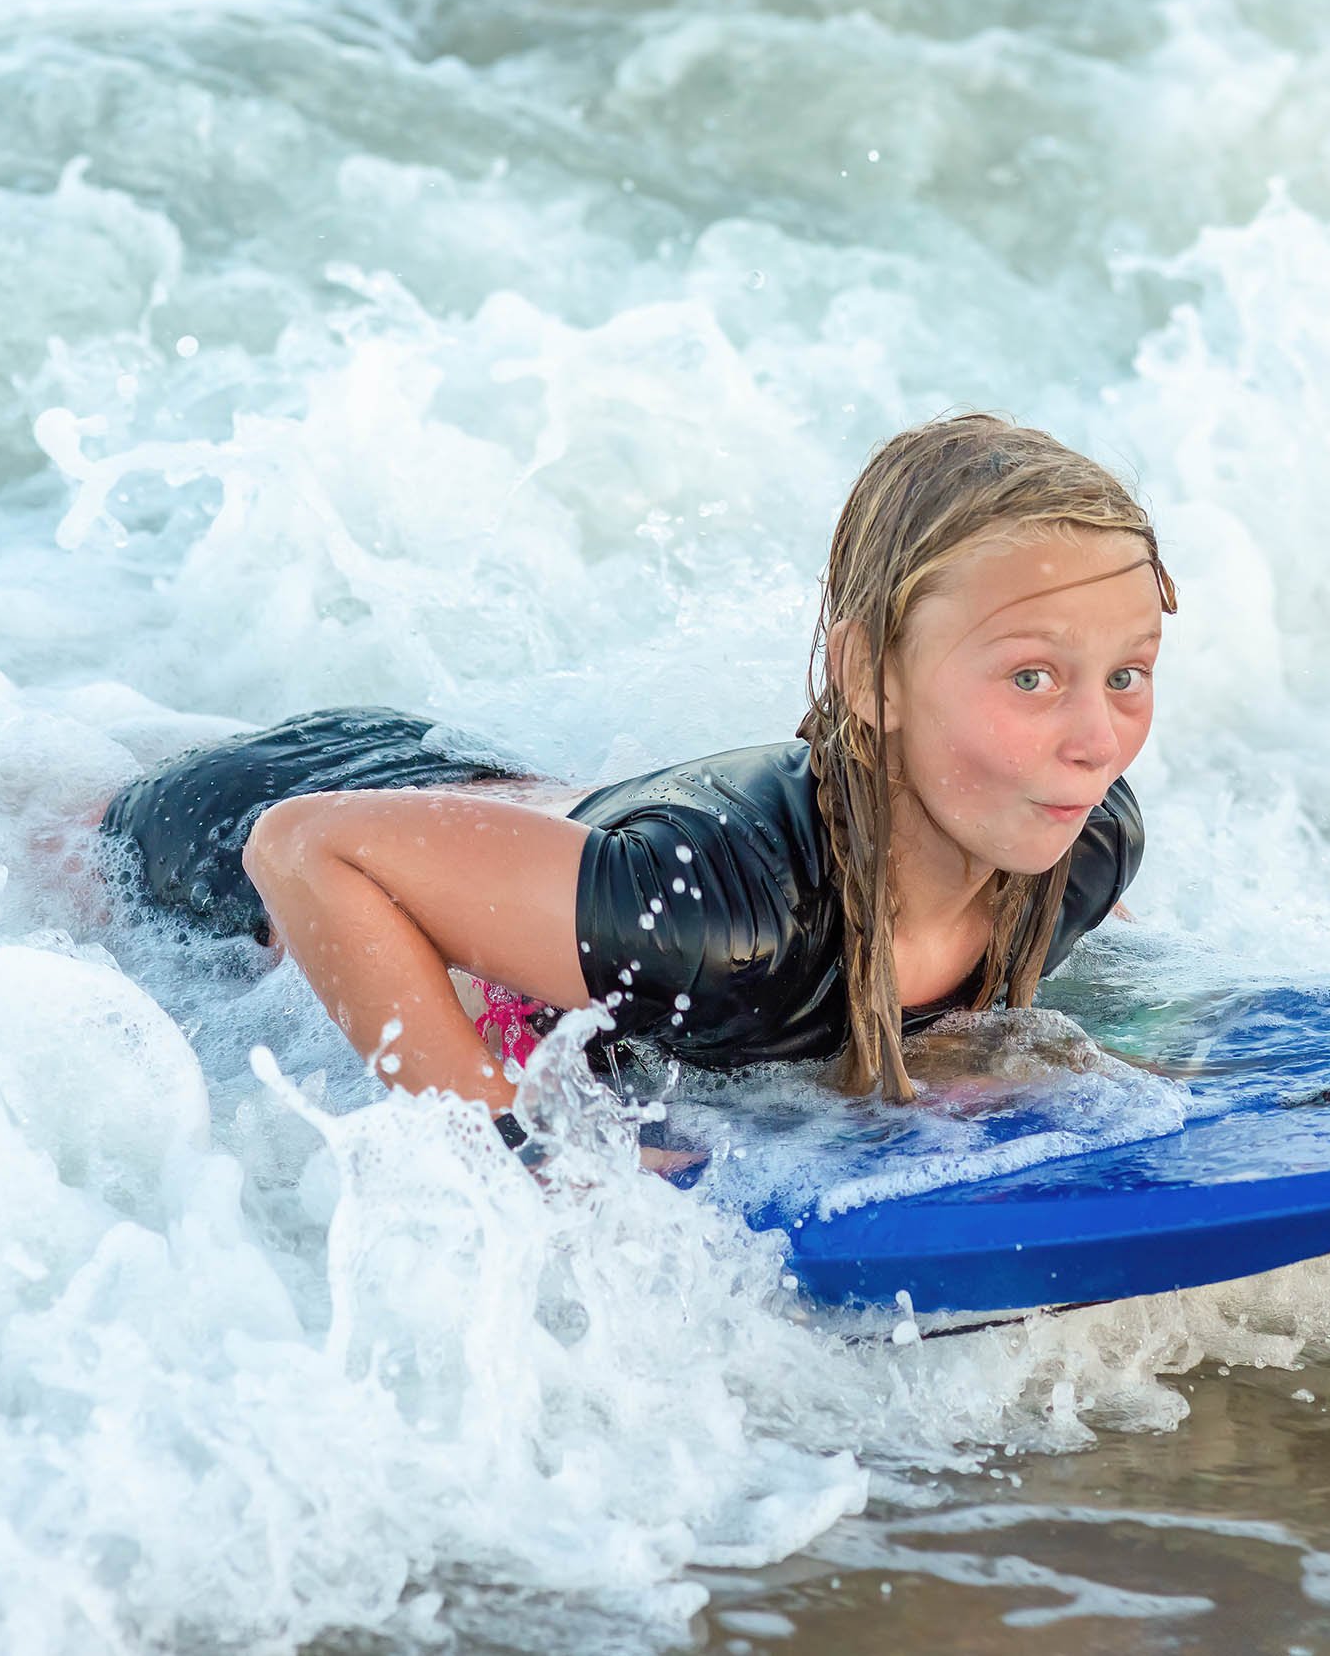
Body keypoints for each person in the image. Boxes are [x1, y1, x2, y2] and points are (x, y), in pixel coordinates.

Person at [94, 412, 1177, 1165]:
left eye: (1125, 676)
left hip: (491, 795)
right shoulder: (716, 924)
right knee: (48, 817)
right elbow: (298, 850)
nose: (1094, 739)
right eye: (1031, 677)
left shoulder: (1079, 835)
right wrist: (502, 1138)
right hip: (223, 832)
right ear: (867, 676)